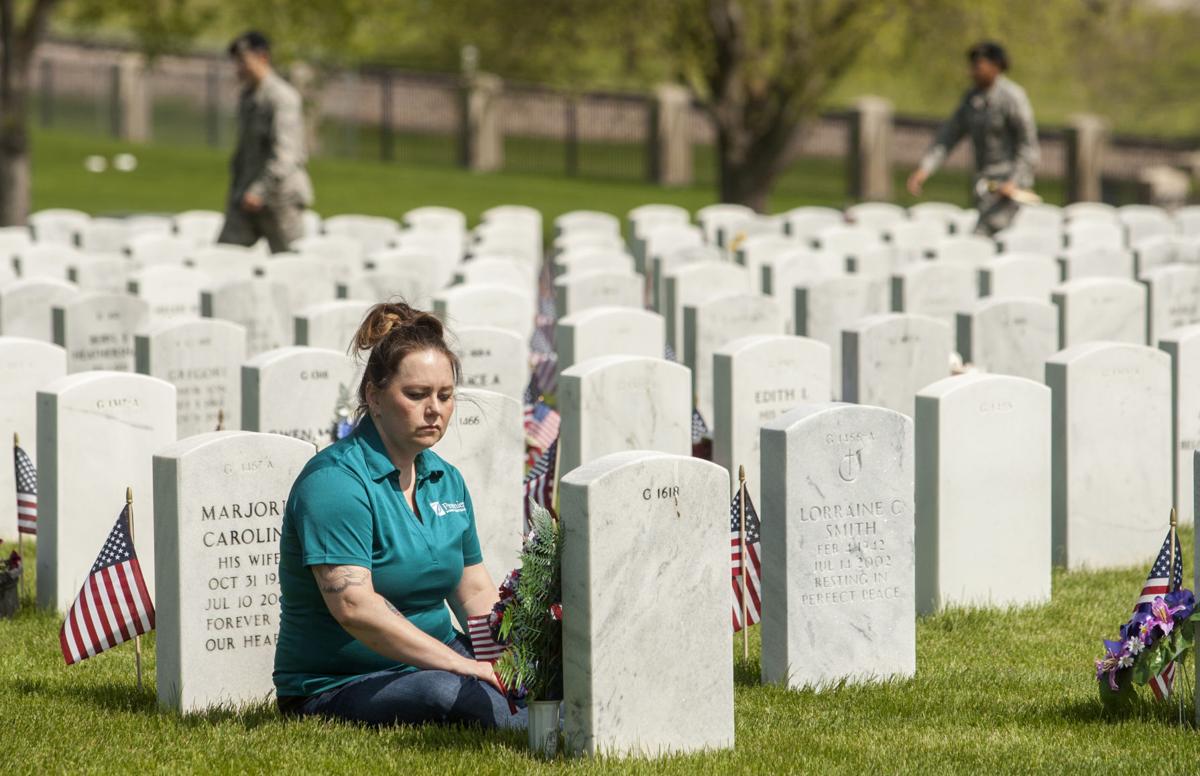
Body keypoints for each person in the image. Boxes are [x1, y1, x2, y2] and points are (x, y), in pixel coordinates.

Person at [273, 302, 525, 729]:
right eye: (416, 395)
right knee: (455, 697)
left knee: (541, 691)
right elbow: (355, 607)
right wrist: (462, 667)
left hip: (438, 659)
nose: (435, 410)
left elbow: (472, 590)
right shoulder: (335, 483)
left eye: (445, 396)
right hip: (340, 681)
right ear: (373, 395)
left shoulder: (446, 479)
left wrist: (508, 663)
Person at [906, 41, 1040, 236]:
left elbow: (1028, 146)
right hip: (985, 186)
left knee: (981, 238)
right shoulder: (972, 99)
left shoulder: (1012, 98)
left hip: (1010, 188)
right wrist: (924, 169)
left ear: (996, 67)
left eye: (978, 66)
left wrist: (1014, 181)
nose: (972, 72)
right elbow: (948, 136)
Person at [217, 31, 313, 253]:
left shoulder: (282, 98)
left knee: (291, 263)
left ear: (262, 58)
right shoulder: (248, 96)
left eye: (243, 61)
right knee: (223, 257)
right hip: (246, 195)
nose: (238, 68)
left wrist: (260, 190)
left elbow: (286, 154)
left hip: (280, 198)